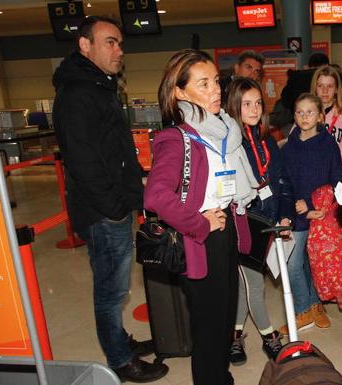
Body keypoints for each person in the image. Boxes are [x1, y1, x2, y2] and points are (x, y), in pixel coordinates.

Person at [52, 16, 168, 383]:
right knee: (111, 290)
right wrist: (115, 207)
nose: (119, 50)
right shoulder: (77, 93)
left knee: (115, 288)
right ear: (85, 46)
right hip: (103, 212)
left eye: (120, 43)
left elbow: (113, 150)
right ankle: (120, 360)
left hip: (113, 206)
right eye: (110, 42)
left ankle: (121, 341)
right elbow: (84, 161)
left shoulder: (98, 86)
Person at [144, 49, 259, 385]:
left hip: (224, 232)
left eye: (216, 82)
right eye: (204, 84)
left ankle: (219, 378)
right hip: (200, 240)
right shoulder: (175, 138)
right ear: (180, 92)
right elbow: (155, 196)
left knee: (224, 321)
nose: (216, 90)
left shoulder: (222, 130)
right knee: (209, 327)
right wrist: (200, 222)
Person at [224, 77, 293, 365]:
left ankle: (234, 336)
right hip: (242, 223)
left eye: (257, 104)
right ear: (234, 107)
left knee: (243, 284)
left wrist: (285, 213)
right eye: (246, 104)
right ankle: (269, 337)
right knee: (255, 284)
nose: (253, 110)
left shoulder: (268, 141)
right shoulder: (229, 144)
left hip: (268, 221)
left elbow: (283, 182)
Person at [279, 93, 342, 335]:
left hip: (322, 215)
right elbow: (284, 183)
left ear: (320, 116)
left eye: (310, 112)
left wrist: (322, 208)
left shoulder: (329, 145)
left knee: (314, 263)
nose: (304, 117)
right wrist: (296, 206)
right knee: (293, 263)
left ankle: (316, 306)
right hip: (298, 215)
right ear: (294, 116)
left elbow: (338, 180)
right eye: (299, 112)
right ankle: (303, 309)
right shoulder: (288, 148)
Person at [310, 65, 342, 175]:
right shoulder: (305, 114)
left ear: (336, 90)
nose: (325, 91)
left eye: (329, 86)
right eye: (320, 86)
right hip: (310, 170)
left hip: (336, 173)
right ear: (315, 88)